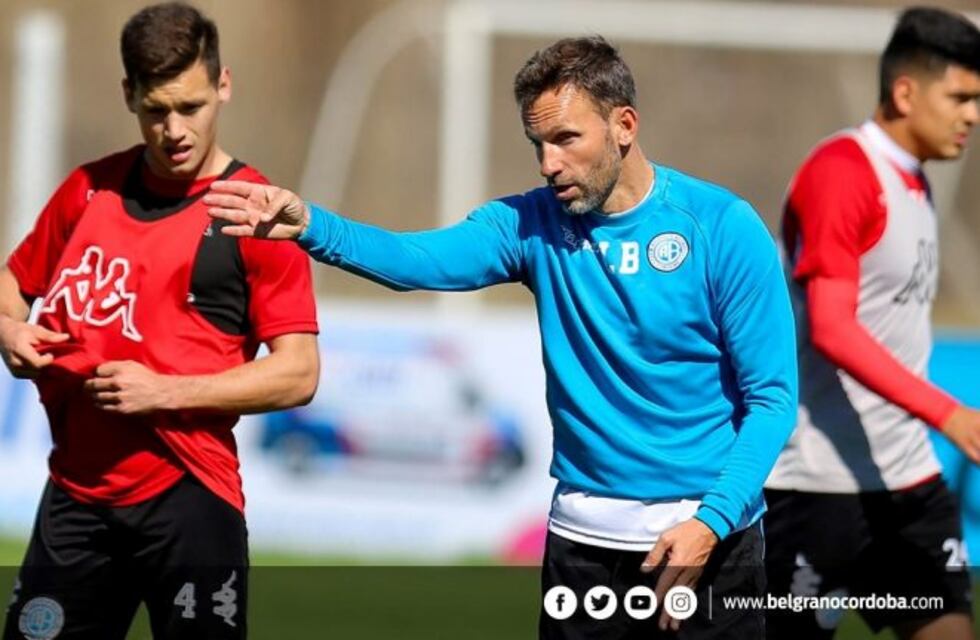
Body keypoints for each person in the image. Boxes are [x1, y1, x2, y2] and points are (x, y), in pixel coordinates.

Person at [206, 36, 797, 638]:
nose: (548, 164)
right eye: (537, 144)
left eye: (566, 139)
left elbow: (772, 398)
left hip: (707, 541)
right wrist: (311, 225)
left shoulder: (721, 227)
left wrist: (712, 522)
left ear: (624, 125)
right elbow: (417, 260)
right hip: (583, 545)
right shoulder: (529, 224)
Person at [0, 3, 319, 639]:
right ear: (129, 95)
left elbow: (299, 373)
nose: (175, 130)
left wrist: (165, 391)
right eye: (156, 110)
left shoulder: (255, 214)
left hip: (190, 501)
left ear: (223, 85)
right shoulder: (88, 189)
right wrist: (9, 329)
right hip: (76, 498)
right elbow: (13, 283)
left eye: (191, 107)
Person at [764, 6, 980, 639]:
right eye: (960, 98)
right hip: (816, 485)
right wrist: (949, 413)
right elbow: (832, 329)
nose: (972, 115)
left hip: (907, 480)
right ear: (906, 93)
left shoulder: (917, 183)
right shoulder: (842, 172)